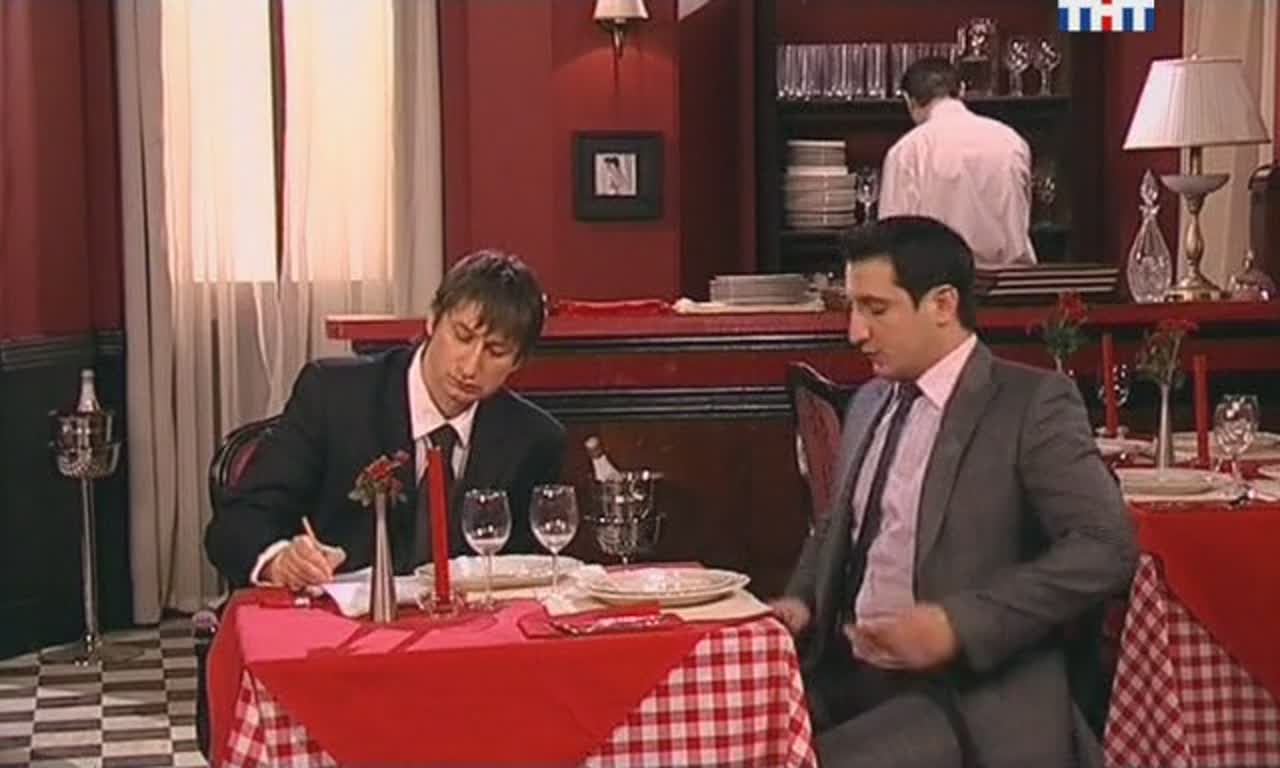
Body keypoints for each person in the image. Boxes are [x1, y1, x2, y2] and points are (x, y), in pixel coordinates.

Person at [770, 216, 1135, 768]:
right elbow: (835, 526)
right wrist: (802, 601)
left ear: (943, 304)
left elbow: (1106, 546)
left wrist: (957, 625)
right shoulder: (871, 401)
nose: (855, 332)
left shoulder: (1031, 404)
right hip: (846, 671)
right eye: (853, 308)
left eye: (875, 309)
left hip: (967, 693)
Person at [205, 249, 567, 590]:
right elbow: (237, 524)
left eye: (495, 351)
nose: (470, 367)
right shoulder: (333, 396)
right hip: (340, 623)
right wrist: (281, 560)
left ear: (518, 362)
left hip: (466, 629)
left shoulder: (534, 439)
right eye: (462, 336)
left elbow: (531, 570)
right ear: (433, 319)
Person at [878, 58, 1037, 269]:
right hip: (1013, 280)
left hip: (938, 281)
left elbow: (892, 238)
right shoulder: (1011, 140)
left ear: (909, 100)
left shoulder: (907, 151)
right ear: (961, 90)